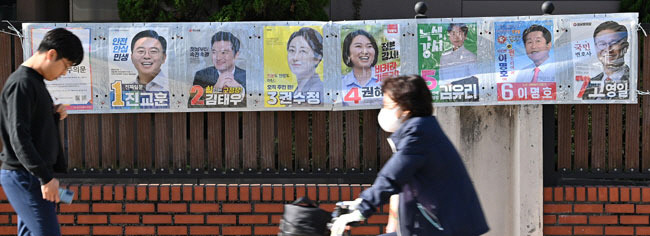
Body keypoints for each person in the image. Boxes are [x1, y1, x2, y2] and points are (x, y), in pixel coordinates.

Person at [330, 75, 489, 236]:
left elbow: (392, 176)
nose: (384, 111)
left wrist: (363, 209)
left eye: (387, 105)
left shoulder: (418, 134)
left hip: (447, 228)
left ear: (405, 109)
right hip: (437, 226)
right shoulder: (424, 130)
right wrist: (360, 204)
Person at [0, 28, 82, 236]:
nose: (63, 73)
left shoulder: (33, 82)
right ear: (52, 54)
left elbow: (31, 128)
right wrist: (45, 178)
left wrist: (53, 115)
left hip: (30, 175)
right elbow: (19, 137)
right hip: (25, 176)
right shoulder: (22, 83)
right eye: (65, 66)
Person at [582, 21, 629, 99]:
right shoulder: (590, 84)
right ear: (595, 48)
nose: (608, 49)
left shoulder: (633, 81)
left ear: (625, 47)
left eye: (614, 43)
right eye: (602, 44)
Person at [341, 29, 380, 105]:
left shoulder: (386, 80)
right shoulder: (341, 83)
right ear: (348, 53)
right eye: (358, 46)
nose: (365, 52)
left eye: (369, 46)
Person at [286, 27, 323, 104]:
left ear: (317, 58)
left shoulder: (319, 90)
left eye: (303, 51)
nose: (295, 58)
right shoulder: (296, 91)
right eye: (292, 50)